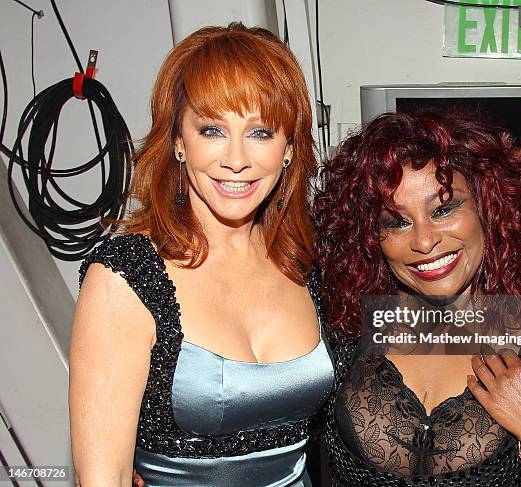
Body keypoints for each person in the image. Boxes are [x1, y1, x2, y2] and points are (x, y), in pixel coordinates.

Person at [70, 23, 333, 487]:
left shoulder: (307, 263)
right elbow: (102, 476)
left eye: (261, 132)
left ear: (289, 148)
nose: (236, 159)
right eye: (213, 129)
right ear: (177, 141)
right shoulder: (126, 277)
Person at [312, 111, 521, 485]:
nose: (424, 241)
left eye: (444, 209)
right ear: (371, 237)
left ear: (487, 208)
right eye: (397, 221)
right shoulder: (342, 336)